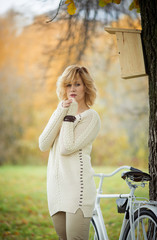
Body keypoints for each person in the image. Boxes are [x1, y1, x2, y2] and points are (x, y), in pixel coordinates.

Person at [39, 64, 101, 240]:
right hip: (56, 191)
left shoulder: (91, 117)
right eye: (68, 85)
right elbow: (43, 144)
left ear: (86, 87)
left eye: (77, 84)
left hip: (77, 191)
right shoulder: (61, 112)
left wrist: (69, 114)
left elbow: (67, 148)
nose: (72, 89)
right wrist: (61, 111)